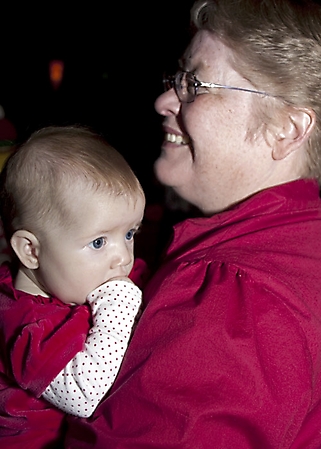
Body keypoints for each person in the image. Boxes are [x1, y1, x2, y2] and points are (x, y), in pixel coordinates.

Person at [65, 1, 321, 448]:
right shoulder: (301, 242)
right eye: (176, 80)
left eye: (196, 85)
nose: (165, 100)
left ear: (287, 129)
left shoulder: (234, 292)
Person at [0, 125, 145, 448]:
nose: (122, 257)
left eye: (130, 234)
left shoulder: (75, 278)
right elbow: (83, 394)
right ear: (32, 251)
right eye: (98, 242)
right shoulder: (25, 325)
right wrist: (119, 305)